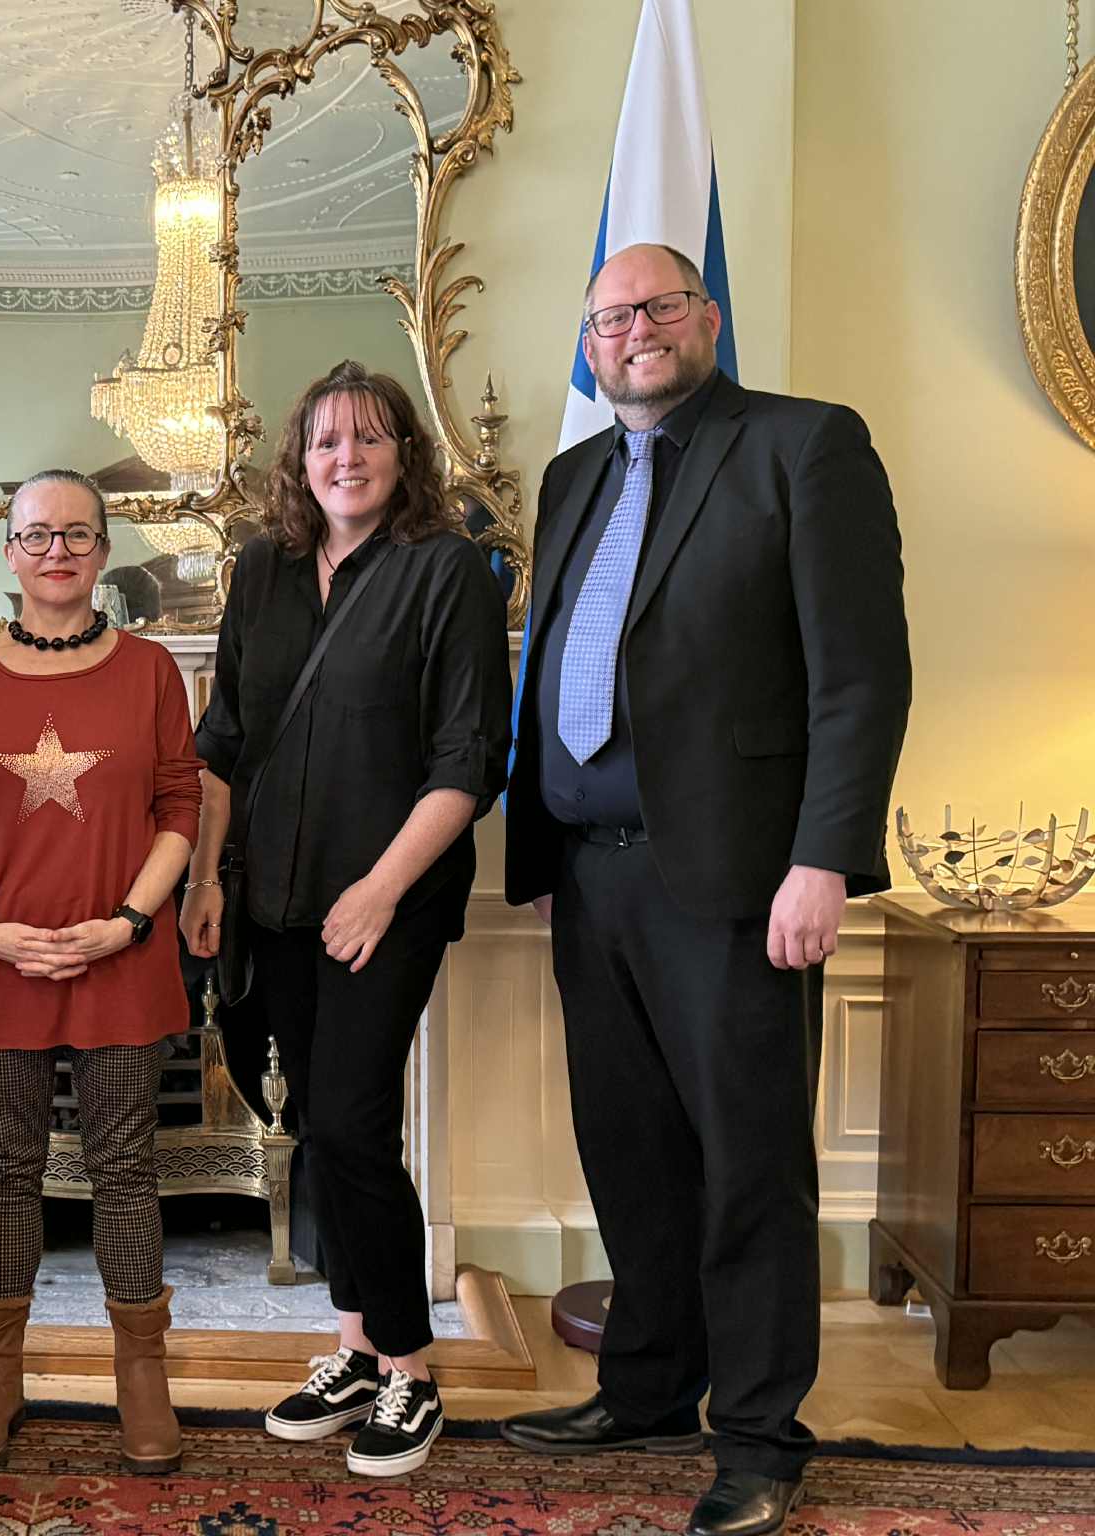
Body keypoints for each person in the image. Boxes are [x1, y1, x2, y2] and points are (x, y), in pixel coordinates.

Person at [497, 243, 910, 1536]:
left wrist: (822, 861)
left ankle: (760, 1437)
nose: (634, 330)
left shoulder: (803, 446)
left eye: (658, 306)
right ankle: (647, 1388)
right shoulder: (571, 477)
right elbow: (564, 662)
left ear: (707, 317)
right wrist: (549, 851)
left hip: (738, 885)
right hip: (591, 880)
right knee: (631, 1158)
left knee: (748, 1171)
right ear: (590, 346)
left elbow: (859, 677)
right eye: (609, 317)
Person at [182, 360, 510, 1479]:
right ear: (300, 459)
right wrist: (206, 881)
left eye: (370, 438)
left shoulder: (447, 569)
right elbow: (223, 743)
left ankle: (413, 1369)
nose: (346, 458)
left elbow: (468, 758)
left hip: (386, 903)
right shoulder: (261, 570)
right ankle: (354, 1350)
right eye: (326, 441)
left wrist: (379, 888)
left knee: (355, 1127)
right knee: (317, 1127)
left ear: (404, 455)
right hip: (270, 901)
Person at [0, 468, 201, 1476]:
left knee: (125, 1168)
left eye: (77, 534)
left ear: (104, 550)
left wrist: (127, 922)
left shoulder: (152, 670)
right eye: (36, 534)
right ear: (8, 551)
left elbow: (178, 806)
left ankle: (141, 1375)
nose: (57, 551)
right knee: (4, 1170)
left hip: (120, 957)